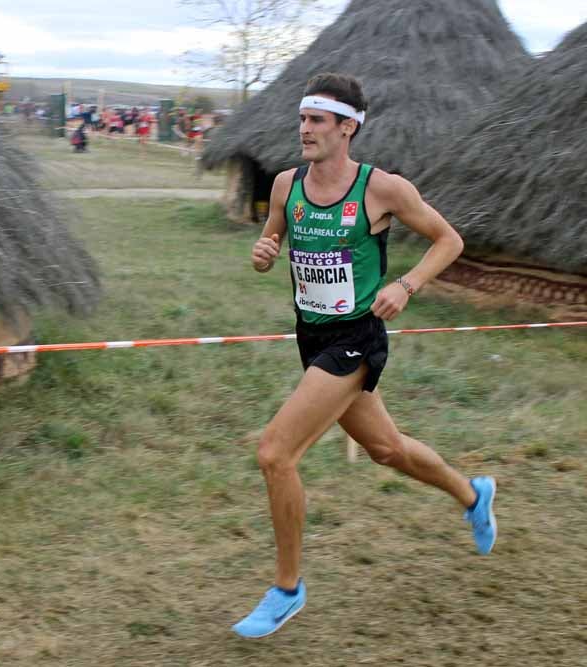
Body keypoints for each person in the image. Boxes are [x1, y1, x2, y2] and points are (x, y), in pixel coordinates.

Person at [232, 72, 497, 639]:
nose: (304, 129)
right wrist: (263, 252)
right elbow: (273, 241)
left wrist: (407, 284)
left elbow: (449, 240)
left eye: (317, 121)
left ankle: (286, 589)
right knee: (386, 449)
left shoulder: (383, 189)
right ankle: (473, 494)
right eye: (302, 119)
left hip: (360, 335)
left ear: (348, 127)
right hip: (313, 338)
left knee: (275, 453)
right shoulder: (285, 186)